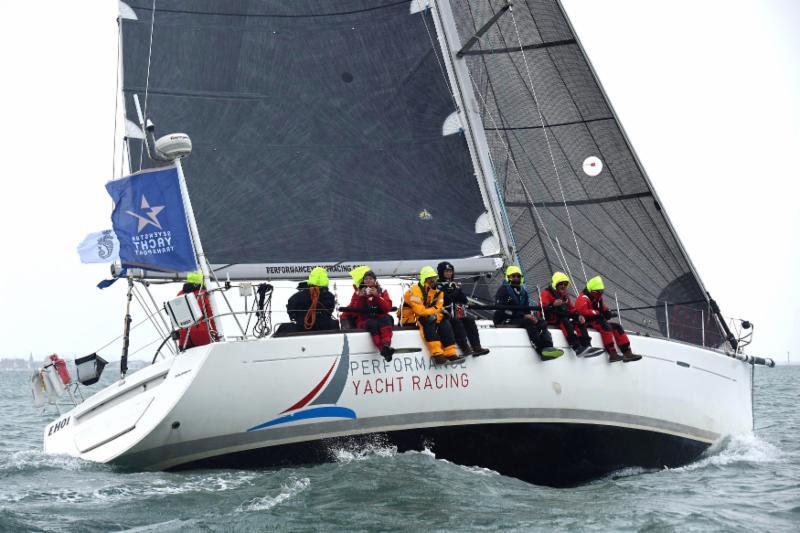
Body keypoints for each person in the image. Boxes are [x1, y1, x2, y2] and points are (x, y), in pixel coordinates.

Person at [493, 266, 564, 361]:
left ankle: (548, 347)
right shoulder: (503, 290)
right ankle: (540, 350)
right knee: (528, 322)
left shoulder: (523, 292)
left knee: (541, 322)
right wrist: (524, 316)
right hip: (503, 318)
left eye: (518, 276)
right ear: (508, 277)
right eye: (513, 276)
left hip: (519, 318)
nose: (516, 278)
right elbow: (501, 309)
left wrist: (531, 316)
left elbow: (526, 309)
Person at [401, 266, 464, 366]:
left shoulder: (437, 291)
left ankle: (450, 353)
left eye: (434, 278)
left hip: (428, 315)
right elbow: (419, 311)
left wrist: (436, 315)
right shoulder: (414, 291)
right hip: (411, 319)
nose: (433, 280)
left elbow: (439, 306)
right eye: (431, 278)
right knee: (428, 321)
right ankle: (437, 354)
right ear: (425, 279)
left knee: (444, 321)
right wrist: (434, 313)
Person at [575, 276, 641, 363]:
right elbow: (582, 311)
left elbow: (603, 308)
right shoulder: (583, 298)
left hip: (597, 321)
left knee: (618, 327)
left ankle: (627, 353)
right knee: (606, 327)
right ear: (593, 291)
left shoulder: (597, 298)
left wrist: (608, 312)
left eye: (602, 291)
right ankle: (612, 354)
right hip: (588, 322)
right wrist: (597, 313)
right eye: (599, 291)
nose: (601, 293)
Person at [340, 266, 395, 362]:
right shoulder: (358, 293)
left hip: (379, 316)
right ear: (363, 281)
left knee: (386, 320)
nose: (368, 281)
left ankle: (386, 345)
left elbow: (387, 308)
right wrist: (360, 296)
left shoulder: (382, 291)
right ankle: (382, 349)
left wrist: (377, 296)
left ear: (375, 280)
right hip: (364, 319)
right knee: (372, 324)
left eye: (370, 279)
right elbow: (354, 309)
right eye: (366, 279)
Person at [436, 261, 490, 357]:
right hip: (444, 313)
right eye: (446, 271)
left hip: (456, 310)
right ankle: (465, 348)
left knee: (469, 320)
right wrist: (452, 293)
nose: (449, 273)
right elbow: (444, 300)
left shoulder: (454, 284)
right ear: (441, 272)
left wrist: (454, 292)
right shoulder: (437, 285)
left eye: (450, 271)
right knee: (456, 321)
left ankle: (477, 347)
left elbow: (464, 299)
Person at [540, 272, 594, 356]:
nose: (563, 286)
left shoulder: (565, 295)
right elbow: (542, 307)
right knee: (565, 321)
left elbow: (572, 308)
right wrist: (553, 304)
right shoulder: (546, 293)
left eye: (565, 284)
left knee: (580, 321)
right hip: (552, 318)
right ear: (556, 284)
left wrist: (578, 315)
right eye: (561, 284)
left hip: (562, 316)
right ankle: (576, 347)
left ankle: (587, 345)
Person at [286, 267, 338, 332]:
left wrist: (296, 318)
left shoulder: (298, 296)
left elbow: (291, 308)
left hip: (302, 328)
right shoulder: (330, 296)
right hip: (325, 328)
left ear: (311, 277)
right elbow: (330, 310)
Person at [177, 271, 217, 350]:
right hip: (202, 336)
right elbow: (211, 317)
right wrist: (217, 335)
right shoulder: (203, 294)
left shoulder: (180, 295)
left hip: (184, 337)